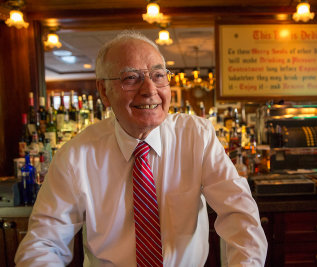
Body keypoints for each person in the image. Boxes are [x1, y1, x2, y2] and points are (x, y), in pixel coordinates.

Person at [15, 30, 267, 266]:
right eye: (131, 78)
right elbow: (43, 244)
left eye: (158, 76)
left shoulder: (196, 137)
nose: (150, 90)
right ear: (104, 91)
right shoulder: (75, 156)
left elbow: (240, 215)